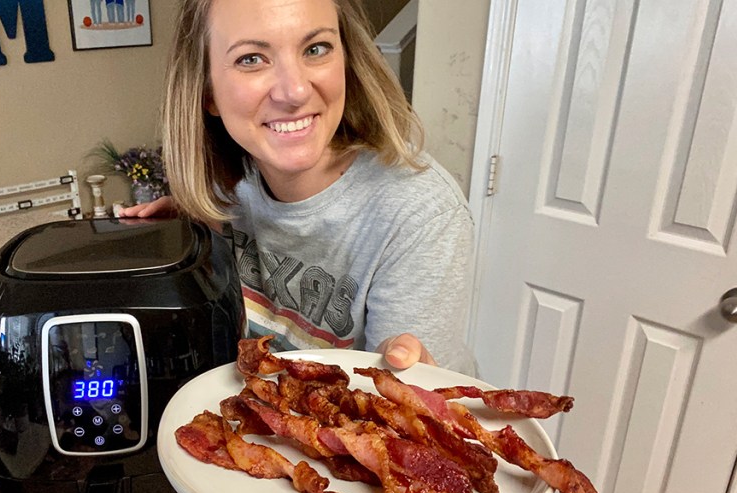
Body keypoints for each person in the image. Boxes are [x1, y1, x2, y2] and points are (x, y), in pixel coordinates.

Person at [121, 0, 477, 376]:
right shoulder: (227, 185)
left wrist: (401, 372)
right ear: (207, 90)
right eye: (251, 59)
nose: (293, 91)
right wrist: (190, 234)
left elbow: (400, 418)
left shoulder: (420, 214)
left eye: (315, 49)